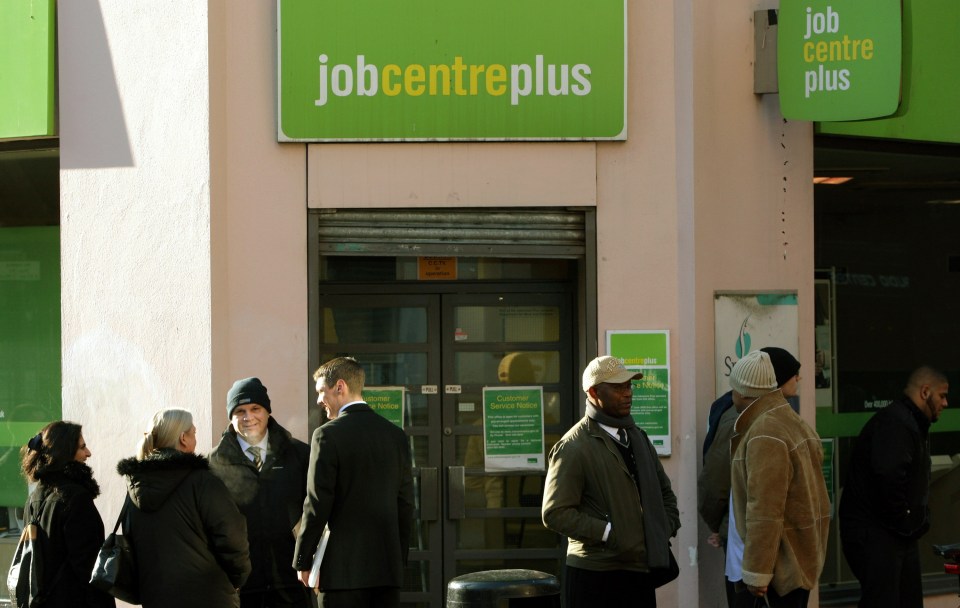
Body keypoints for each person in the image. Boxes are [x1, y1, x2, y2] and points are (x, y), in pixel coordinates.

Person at [542, 355, 680, 608]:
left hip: (640, 570)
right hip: (595, 575)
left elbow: (665, 494)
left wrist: (663, 527)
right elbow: (555, 513)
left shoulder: (637, 437)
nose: (627, 393)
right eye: (617, 388)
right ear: (593, 392)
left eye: (629, 386)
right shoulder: (574, 446)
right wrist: (609, 534)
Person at [293, 356, 415, 608]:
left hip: (341, 573)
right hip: (386, 572)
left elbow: (317, 502)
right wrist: (397, 561)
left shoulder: (326, 435)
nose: (318, 400)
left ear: (340, 387)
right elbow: (405, 505)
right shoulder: (396, 436)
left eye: (321, 391)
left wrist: (303, 560)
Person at [698, 347, 802, 607]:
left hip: (771, 549)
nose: (798, 378)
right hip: (751, 548)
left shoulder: (781, 419)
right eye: (793, 373)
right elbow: (719, 480)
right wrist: (718, 524)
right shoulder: (743, 419)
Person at [116, 409, 251, 608]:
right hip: (208, 596)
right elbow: (232, 537)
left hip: (155, 597)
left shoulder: (135, 487)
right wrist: (238, 578)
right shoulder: (203, 482)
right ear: (183, 439)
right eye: (194, 433)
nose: (196, 440)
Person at [839, 366, 949, 608]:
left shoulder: (908, 422)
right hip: (879, 535)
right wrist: (908, 519)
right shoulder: (896, 425)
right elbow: (888, 479)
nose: (946, 402)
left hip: (893, 534)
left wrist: (914, 521)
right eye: (942, 395)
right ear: (925, 392)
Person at [728, 350, 830, 608]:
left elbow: (765, 510)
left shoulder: (765, 431)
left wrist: (757, 572)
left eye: (733, 389)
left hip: (779, 573)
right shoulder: (791, 421)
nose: (731, 396)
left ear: (743, 392)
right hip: (797, 563)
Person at [209, 377, 312, 608]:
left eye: (255, 408)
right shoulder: (214, 463)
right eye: (240, 411)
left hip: (292, 584)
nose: (248, 417)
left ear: (267, 411)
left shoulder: (298, 454)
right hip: (240, 589)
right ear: (231, 417)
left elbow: (316, 510)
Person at [18, 421, 115, 608]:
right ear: (65, 452)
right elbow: (89, 569)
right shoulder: (76, 499)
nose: (88, 453)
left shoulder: (34, 498)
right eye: (82, 447)